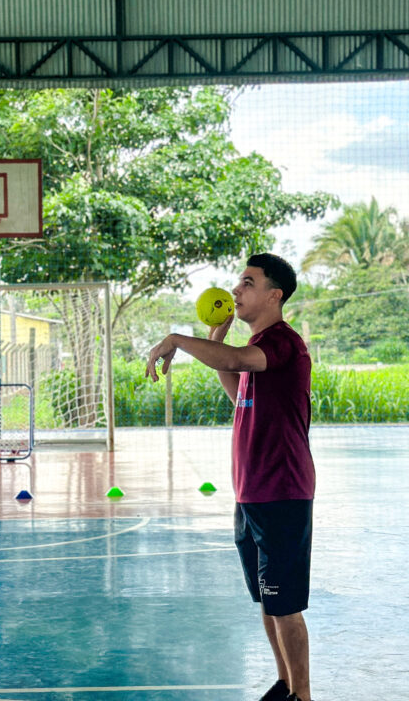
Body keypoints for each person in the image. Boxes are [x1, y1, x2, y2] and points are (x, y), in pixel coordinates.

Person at [146, 253, 315, 701]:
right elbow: (238, 393)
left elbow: (242, 360)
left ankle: (304, 696)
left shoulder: (282, 342)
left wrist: (177, 340)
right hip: (252, 494)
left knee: (286, 606)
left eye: (247, 283)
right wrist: (210, 342)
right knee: (266, 599)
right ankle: (284, 685)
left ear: (274, 295)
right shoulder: (257, 353)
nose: (236, 291)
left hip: (282, 491)